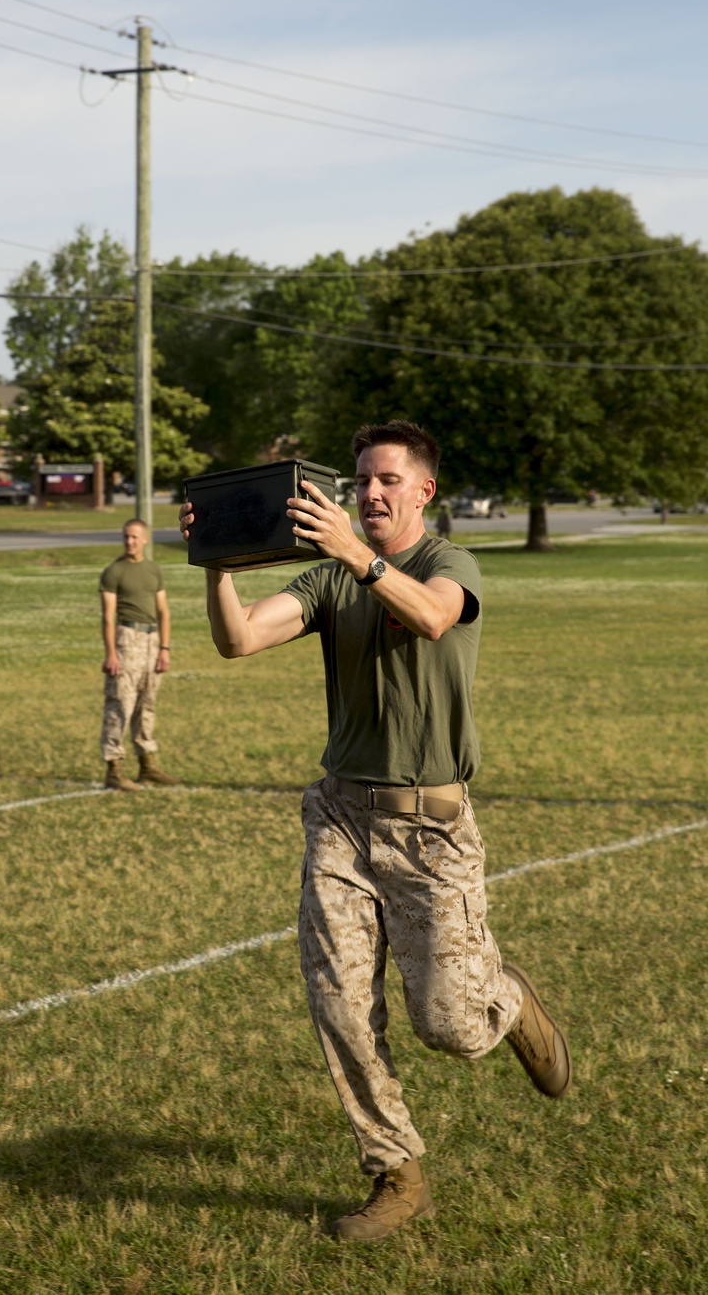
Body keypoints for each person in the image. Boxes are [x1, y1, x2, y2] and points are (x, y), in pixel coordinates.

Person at [179, 419, 571, 1241]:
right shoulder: (331, 582)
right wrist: (218, 562)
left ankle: (509, 999)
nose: (371, 493)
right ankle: (396, 1172)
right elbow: (238, 639)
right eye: (362, 480)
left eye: (388, 479)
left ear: (424, 490)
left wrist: (360, 556)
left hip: (430, 832)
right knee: (341, 1009)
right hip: (341, 822)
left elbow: (432, 618)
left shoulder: (447, 563)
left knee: (451, 1027)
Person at [99, 518, 175, 791]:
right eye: (126, 537)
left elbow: (163, 611)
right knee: (120, 704)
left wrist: (164, 648)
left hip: (152, 640)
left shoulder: (153, 570)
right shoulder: (113, 572)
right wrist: (111, 654)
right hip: (126, 639)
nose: (129, 541)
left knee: (146, 705)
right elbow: (108, 616)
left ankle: (147, 765)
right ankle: (114, 768)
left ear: (144, 539)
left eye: (134, 537)